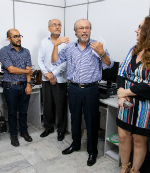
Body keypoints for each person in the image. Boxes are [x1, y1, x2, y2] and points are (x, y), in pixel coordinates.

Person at [52, 19, 114, 166]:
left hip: (91, 89)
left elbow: (109, 64)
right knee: (75, 118)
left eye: (87, 28)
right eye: (81, 28)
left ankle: (92, 152)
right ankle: (75, 144)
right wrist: (56, 45)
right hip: (73, 88)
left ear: (90, 30)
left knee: (91, 121)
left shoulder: (97, 46)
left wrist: (102, 53)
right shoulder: (69, 48)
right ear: (75, 32)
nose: (84, 30)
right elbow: (54, 61)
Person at [116, 16, 150, 173]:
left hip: (146, 107)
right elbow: (121, 74)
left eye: (140, 27)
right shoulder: (133, 50)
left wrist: (124, 92)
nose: (136, 30)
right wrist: (121, 95)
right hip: (126, 104)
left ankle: (135, 170)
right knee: (123, 136)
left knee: (139, 140)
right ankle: (125, 167)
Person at [0, 29, 33, 147]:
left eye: (19, 36)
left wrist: (29, 84)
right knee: (12, 113)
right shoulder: (4, 51)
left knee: (23, 111)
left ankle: (24, 132)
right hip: (10, 87)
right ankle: (13, 135)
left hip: (24, 85)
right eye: (15, 36)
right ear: (9, 39)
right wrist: (27, 71)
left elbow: (29, 69)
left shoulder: (26, 51)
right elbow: (11, 69)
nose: (18, 38)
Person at [38, 19, 67, 141]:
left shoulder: (66, 43)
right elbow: (40, 60)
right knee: (48, 105)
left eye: (59, 25)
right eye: (54, 25)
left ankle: (61, 130)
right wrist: (47, 74)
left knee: (60, 106)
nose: (57, 27)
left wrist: (53, 74)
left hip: (60, 80)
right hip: (46, 79)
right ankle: (48, 127)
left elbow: (66, 62)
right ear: (48, 28)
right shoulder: (44, 42)